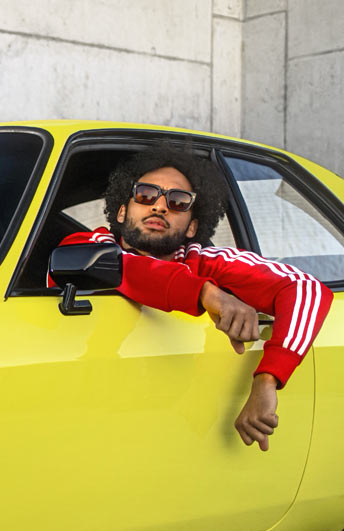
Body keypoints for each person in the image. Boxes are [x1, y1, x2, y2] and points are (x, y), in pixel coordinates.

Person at [54, 144, 333, 451]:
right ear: (122, 211)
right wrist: (205, 293)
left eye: (178, 201)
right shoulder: (88, 246)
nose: (160, 207)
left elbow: (307, 289)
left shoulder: (208, 261)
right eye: (146, 195)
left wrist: (268, 379)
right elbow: (122, 266)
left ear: (192, 227)